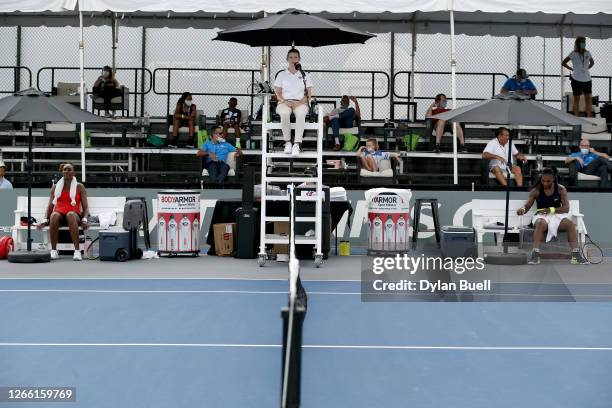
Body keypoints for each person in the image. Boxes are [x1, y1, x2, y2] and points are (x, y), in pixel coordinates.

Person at [517, 167, 588, 265]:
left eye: (548, 181)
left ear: (553, 179)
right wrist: (522, 210)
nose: (545, 183)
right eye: (543, 180)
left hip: (556, 216)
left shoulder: (561, 189)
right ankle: (535, 255)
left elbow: (566, 208)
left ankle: (576, 255)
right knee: (541, 223)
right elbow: (527, 206)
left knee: (570, 224)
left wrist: (551, 209)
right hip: (541, 216)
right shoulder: (536, 190)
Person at [37, 163, 89, 261]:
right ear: (62, 172)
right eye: (64, 169)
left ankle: (77, 251)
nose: (66, 171)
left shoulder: (80, 187)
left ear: (73, 172)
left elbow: (85, 208)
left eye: (69, 169)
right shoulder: (55, 187)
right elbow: (50, 206)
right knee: (54, 215)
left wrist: (85, 219)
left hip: (74, 214)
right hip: (59, 214)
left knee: (70, 215)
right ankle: (54, 251)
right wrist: (45, 219)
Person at [274, 48, 313, 157]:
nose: (293, 59)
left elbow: (309, 94)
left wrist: (300, 102)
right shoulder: (282, 74)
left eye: (295, 57)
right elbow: (277, 92)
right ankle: (287, 142)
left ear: (299, 59)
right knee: (285, 113)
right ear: (287, 59)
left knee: (301, 114)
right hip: (284, 102)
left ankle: (297, 144)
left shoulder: (305, 75)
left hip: (300, 103)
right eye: (291, 57)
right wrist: (284, 101)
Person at [562, 36, 595, 117]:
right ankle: (576, 119)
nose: (584, 44)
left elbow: (592, 62)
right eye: (583, 42)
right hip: (576, 80)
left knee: (588, 99)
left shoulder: (588, 53)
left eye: (585, 42)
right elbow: (563, 63)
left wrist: (587, 68)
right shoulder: (573, 53)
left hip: (587, 79)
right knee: (576, 99)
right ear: (578, 43)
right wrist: (571, 68)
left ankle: (589, 118)